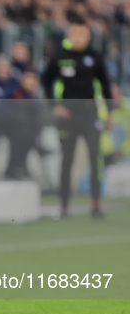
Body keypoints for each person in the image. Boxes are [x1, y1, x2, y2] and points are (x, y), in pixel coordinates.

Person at [43, 18, 112, 218]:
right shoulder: (59, 57)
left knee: (94, 156)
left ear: (88, 37)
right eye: (75, 34)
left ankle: (96, 204)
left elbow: (106, 87)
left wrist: (108, 113)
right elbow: (46, 83)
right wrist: (55, 106)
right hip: (68, 115)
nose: (79, 38)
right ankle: (64, 206)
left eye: (83, 34)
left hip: (90, 114)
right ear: (69, 35)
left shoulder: (95, 57)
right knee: (67, 160)